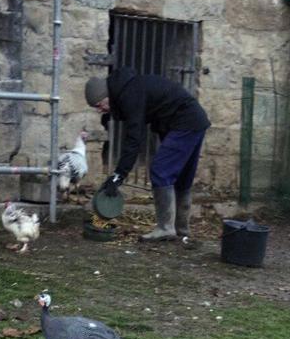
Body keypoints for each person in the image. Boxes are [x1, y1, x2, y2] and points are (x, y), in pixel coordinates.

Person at [87, 68, 210, 244]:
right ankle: (181, 230)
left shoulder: (129, 94)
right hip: (195, 120)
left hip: (185, 122)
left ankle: (165, 228)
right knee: (182, 178)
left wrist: (118, 176)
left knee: (160, 170)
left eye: (99, 105)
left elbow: (133, 140)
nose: (100, 110)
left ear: (106, 95)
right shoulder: (130, 87)